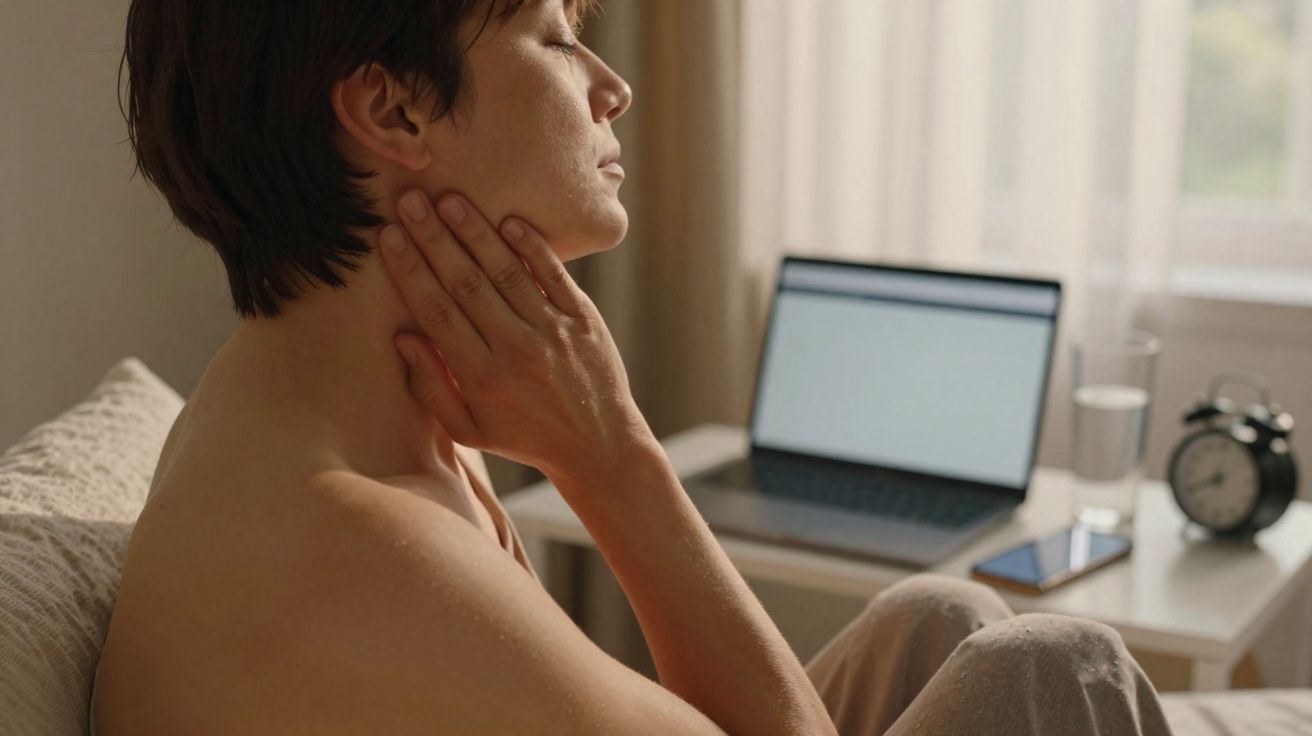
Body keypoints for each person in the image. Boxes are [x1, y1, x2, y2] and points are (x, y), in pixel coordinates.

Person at [91, 0, 1176, 733]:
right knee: (1049, 669)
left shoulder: (329, 406)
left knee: (940, 619)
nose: (610, 87)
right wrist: (613, 457)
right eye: (558, 35)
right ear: (393, 108)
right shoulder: (356, 535)